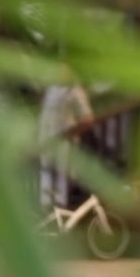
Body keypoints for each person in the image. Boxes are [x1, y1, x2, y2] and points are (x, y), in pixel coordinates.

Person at [38, 69, 94, 210]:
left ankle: (61, 210)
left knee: (62, 175)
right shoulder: (52, 88)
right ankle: (46, 210)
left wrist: (69, 132)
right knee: (46, 174)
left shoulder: (75, 91)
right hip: (46, 139)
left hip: (64, 140)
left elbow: (87, 118)